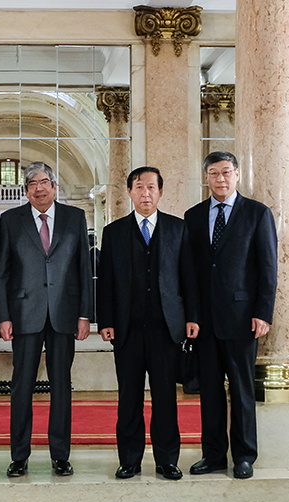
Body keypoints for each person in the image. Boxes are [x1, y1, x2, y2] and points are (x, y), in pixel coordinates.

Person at [97, 167, 199, 481]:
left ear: (160, 192)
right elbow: (106, 282)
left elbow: (189, 278)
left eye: (151, 187)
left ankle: (167, 460)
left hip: (166, 329)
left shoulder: (178, 228)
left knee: (165, 397)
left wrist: (192, 317)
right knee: (129, 397)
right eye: (139, 187)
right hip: (126, 330)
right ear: (130, 192)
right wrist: (106, 320)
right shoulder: (114, 232)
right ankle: (129, 460)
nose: (145, 193)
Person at [184, 151, 278, 480]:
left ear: (237, 175)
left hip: (242, 319)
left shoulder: (257, 213)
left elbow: (268, 267)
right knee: (209, 392)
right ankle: (212, 456)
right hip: (205, 322)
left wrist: (263, 312)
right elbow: (190, 272)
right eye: (214, 173)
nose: (220, 179)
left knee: (241, 391)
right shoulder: (194, 216)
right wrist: (192, 315)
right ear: (206, 177)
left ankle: (244, 456)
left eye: (226, 172)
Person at [0, 161, 93, 477]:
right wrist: (3, 316)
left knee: (61, 385)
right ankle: (19, 456)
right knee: (21, 386)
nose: (39, 188)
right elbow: (2, 273)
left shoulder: (74, 217)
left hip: (65, 313)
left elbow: (84, 268)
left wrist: (85, 314)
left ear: (54, 186)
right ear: (26, 191)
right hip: (24, 313)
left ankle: (60, 455)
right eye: (32, 184)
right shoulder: (10, 220)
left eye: (44, 182)